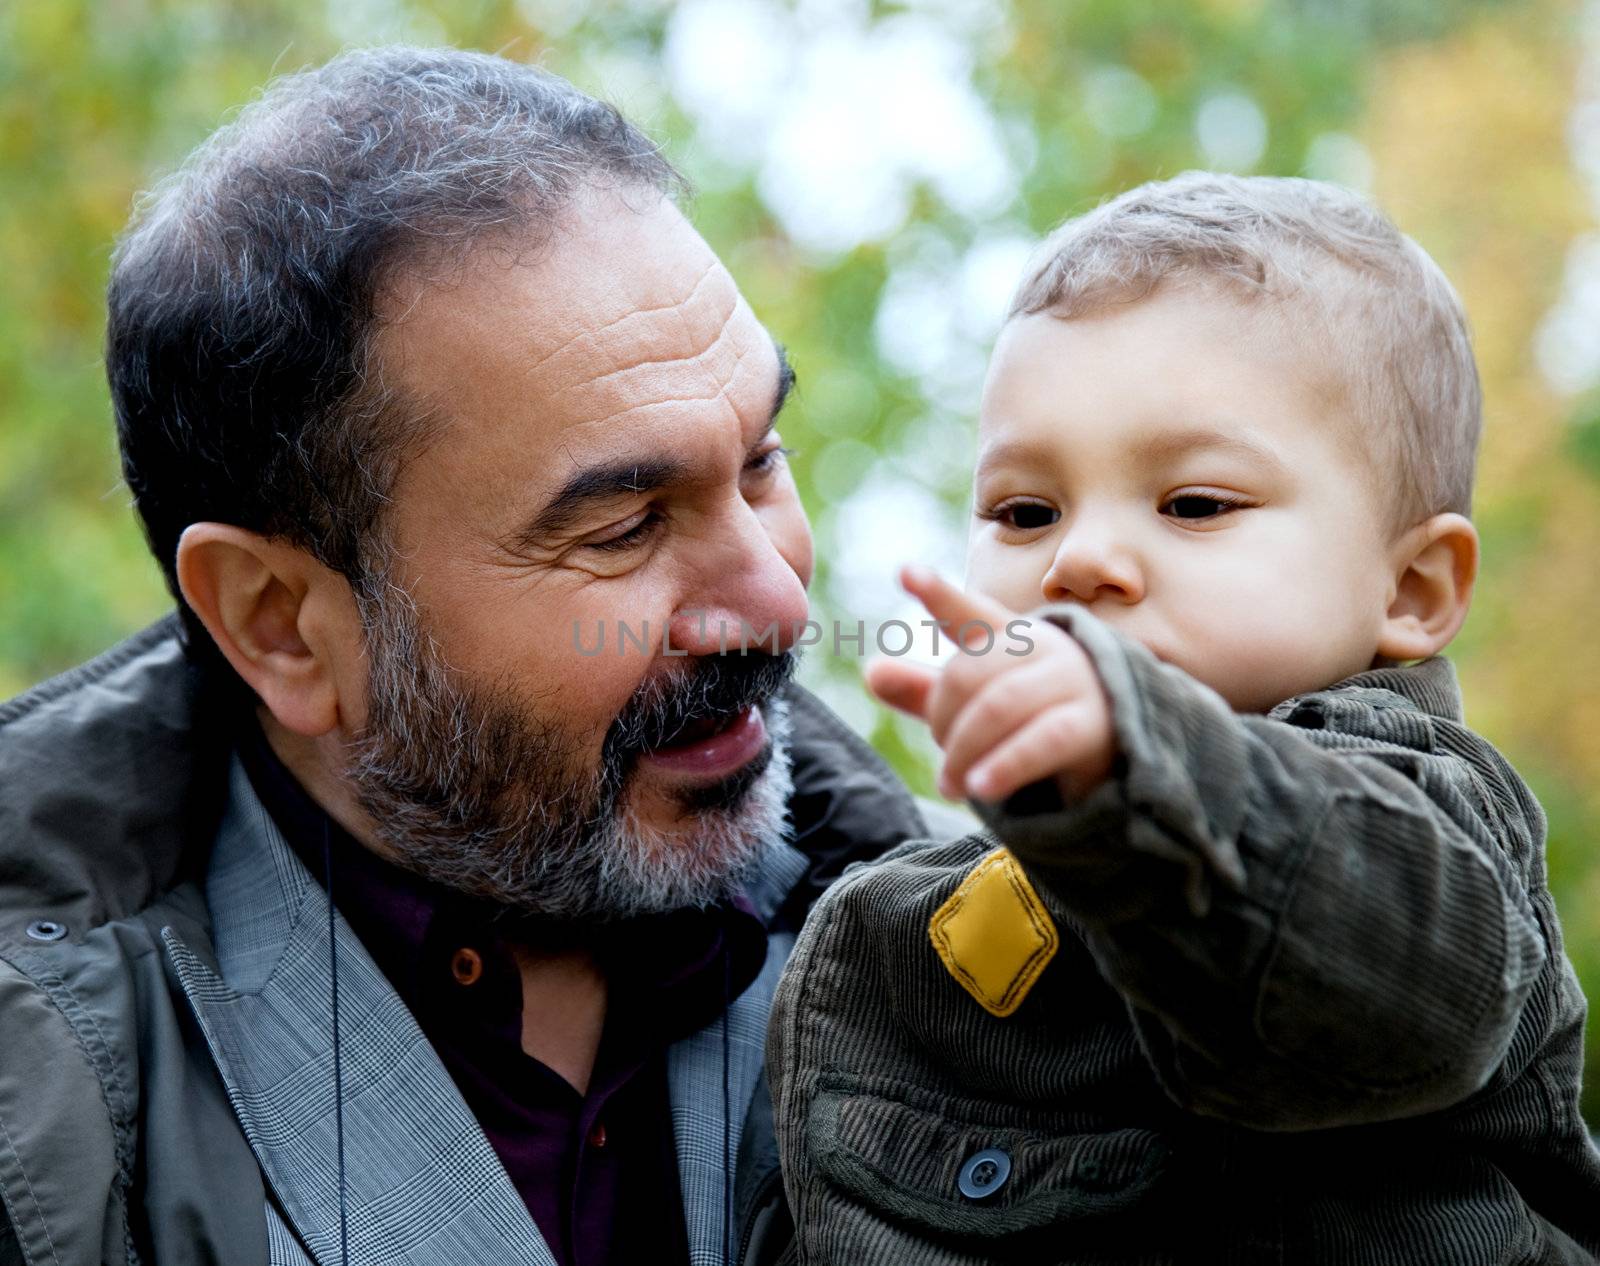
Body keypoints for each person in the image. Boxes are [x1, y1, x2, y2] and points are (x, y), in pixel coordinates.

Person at [0, 46, 959, 1266]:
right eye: (622, 527)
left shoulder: (967, 966)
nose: (774, 602)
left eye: (761, 461)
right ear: (280, 623)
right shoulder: (46, 1125)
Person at [768, 173, 1600, 1263]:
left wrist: (1137, 762)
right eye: (1025, 511)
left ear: (1411, 590)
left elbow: (1394, 976)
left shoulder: (1424, 815)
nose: (1078, 561)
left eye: (1193, 504)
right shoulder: (894, 933)